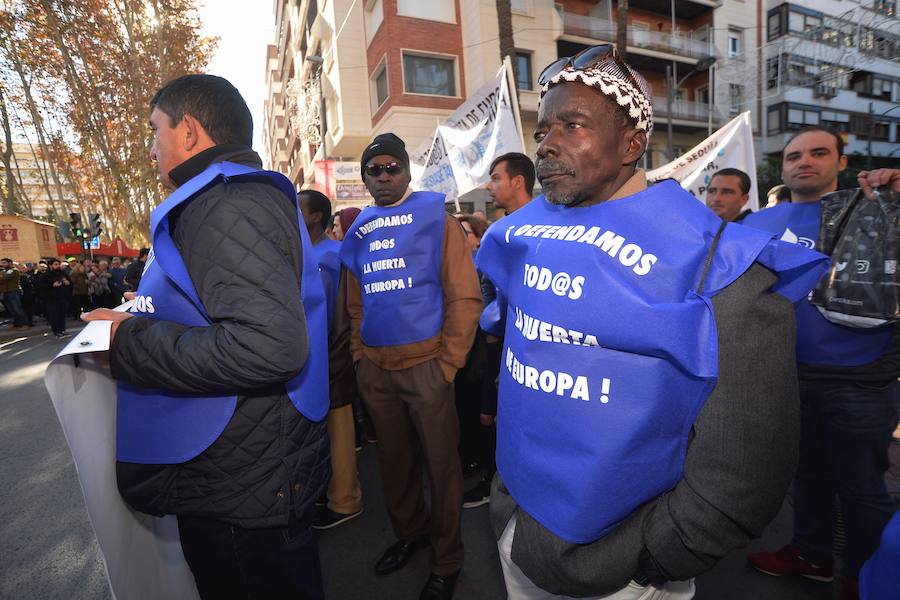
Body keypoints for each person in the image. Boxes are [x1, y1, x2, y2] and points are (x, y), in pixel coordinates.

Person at [475, 45, 828, 600]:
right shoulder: (522, 237)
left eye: (573, 125)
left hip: (624, 572)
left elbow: (746, 470)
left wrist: (651, 557)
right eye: (543, 129)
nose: (547, 144)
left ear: (632, 144)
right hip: (516, 534)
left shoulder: (719, 263)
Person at [81, 74, 330, 600]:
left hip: (242, 485)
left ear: (189, 132)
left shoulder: (224, 203)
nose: (150, 148)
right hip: (247, 472)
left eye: (155, 131)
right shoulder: (231, 198)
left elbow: (269, 345)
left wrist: (126, 342)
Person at [743, 127, 900, 600]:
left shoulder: (878, 208)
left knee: (861, 486)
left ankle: (865, 577)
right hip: (783, 376)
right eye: (793, 156)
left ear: (841, 162)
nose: (803, 162)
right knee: (806, 474)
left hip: (861, 375)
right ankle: (811, 555)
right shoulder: (753, 225)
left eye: (818, 153)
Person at [340, 132, 482, 600]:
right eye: (373, 170)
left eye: (390, 168)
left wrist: (447, 366)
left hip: (428, 369)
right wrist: (361, 360)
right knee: (394, 466)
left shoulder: (435, 220)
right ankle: (411, 534)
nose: (382, 177)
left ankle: (447, 560)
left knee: (442, 470)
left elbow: (463, 294)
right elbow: (355, 304)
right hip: (377, 371)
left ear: (405, 171)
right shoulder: (359, 228)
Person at [298, 188, 364, 530]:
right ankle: (334, 492)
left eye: (299, 207)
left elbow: (327, 313)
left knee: (338, 427)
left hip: (329, 353)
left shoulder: (326, 257)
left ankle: (344, 500)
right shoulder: (317, 253)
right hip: (320, 353)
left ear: (316, 217)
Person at [486, 152, 535, 216]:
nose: (488, 186)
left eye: (496, 178)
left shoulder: (548, 221)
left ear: (517, 182)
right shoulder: (499, 225)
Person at [37, 257, 70, 338]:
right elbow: (40, 286)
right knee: (54, 316)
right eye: (55, 265)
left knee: (62, 315)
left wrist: (67, 282)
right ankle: (57, 332)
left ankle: (63, 330)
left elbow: (69, 282)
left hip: (62, 298)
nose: (58, 266)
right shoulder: (45, 275)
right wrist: (52, 285)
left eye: (58, 264)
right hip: (51, 299)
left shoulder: (62, 273)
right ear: (50, 266)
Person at [1, 257, 29, 329]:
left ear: (10, 263)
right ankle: (17, 324)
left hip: (14, 291)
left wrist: (2, 277)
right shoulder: (3, 272)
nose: (2, 264)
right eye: (2, 263)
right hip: (6, 292)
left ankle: (25, 324)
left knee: (17, 308)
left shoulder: (14, 270)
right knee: (11, 309)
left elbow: (4, 278)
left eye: (4, 263)